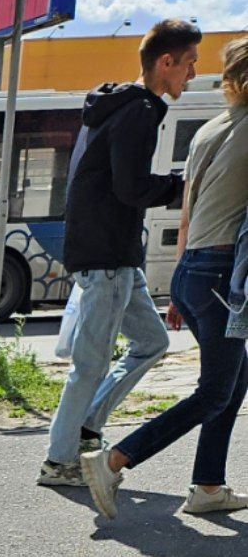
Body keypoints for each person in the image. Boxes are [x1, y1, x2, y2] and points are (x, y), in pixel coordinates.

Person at [82, 37, 248, 518]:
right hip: (220, 275)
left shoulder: (209, 128)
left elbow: (189, 208)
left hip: (194, 271)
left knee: (235, 380)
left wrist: (180, 283)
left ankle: (209, 487)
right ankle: (115, 460)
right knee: (216, 390)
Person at [38, 19, 198, 487]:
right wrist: (183, 187)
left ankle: (87, 428)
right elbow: (130, 188)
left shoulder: (117, 105)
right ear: (165, 62)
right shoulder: (139, 112)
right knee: (91, 364)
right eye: (189, 63)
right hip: (106, 256)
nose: (192, 74)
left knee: (153, 344)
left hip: (114, 254)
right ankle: (59, 460)